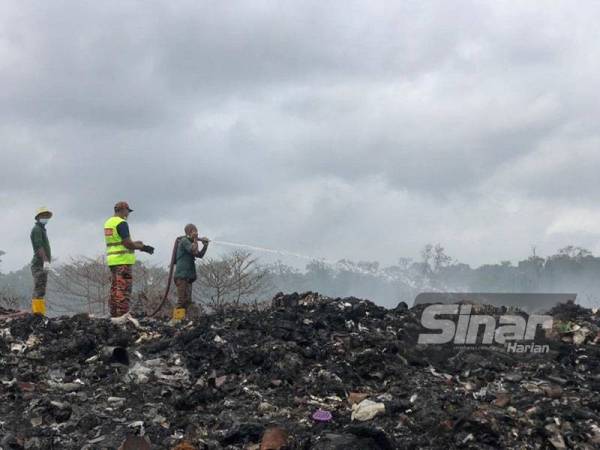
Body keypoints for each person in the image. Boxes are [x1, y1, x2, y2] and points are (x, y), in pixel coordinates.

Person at [104, 201, 154, 317]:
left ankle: (114, 314)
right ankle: (122, 315)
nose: (128, 214)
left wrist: (136, 243)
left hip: (113, 261)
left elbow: (118, 241)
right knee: (123, 290)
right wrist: (142, 247)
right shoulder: (121, 223)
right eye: (128, 211)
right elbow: (127, 243)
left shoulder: (108, 222)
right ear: (123, 210)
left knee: (115, 289)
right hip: (123, 261)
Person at [172, 223, 209, 320]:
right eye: (195, 231)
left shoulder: (190, 242)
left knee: (188, 301)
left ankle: (185, 320)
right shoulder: (184, 241)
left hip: (188, 276)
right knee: (181, 301)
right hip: (182, 275)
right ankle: (176, 321)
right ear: (190, 232)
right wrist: (196, 240)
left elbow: (199, 254)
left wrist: (205, 245)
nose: (197, 233)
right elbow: (193, 249)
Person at [30, 207, 53, 315]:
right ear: (38, 217)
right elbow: (39, 246)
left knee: (41, 289)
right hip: (39, 264)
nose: (46, 218)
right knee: (39, 289)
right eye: (43, 216)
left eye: (47, 216)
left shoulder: (42, 229)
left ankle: (40, 313)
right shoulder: (37, 229)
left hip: (42, 264)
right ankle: (37, 314)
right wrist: (45, 261)